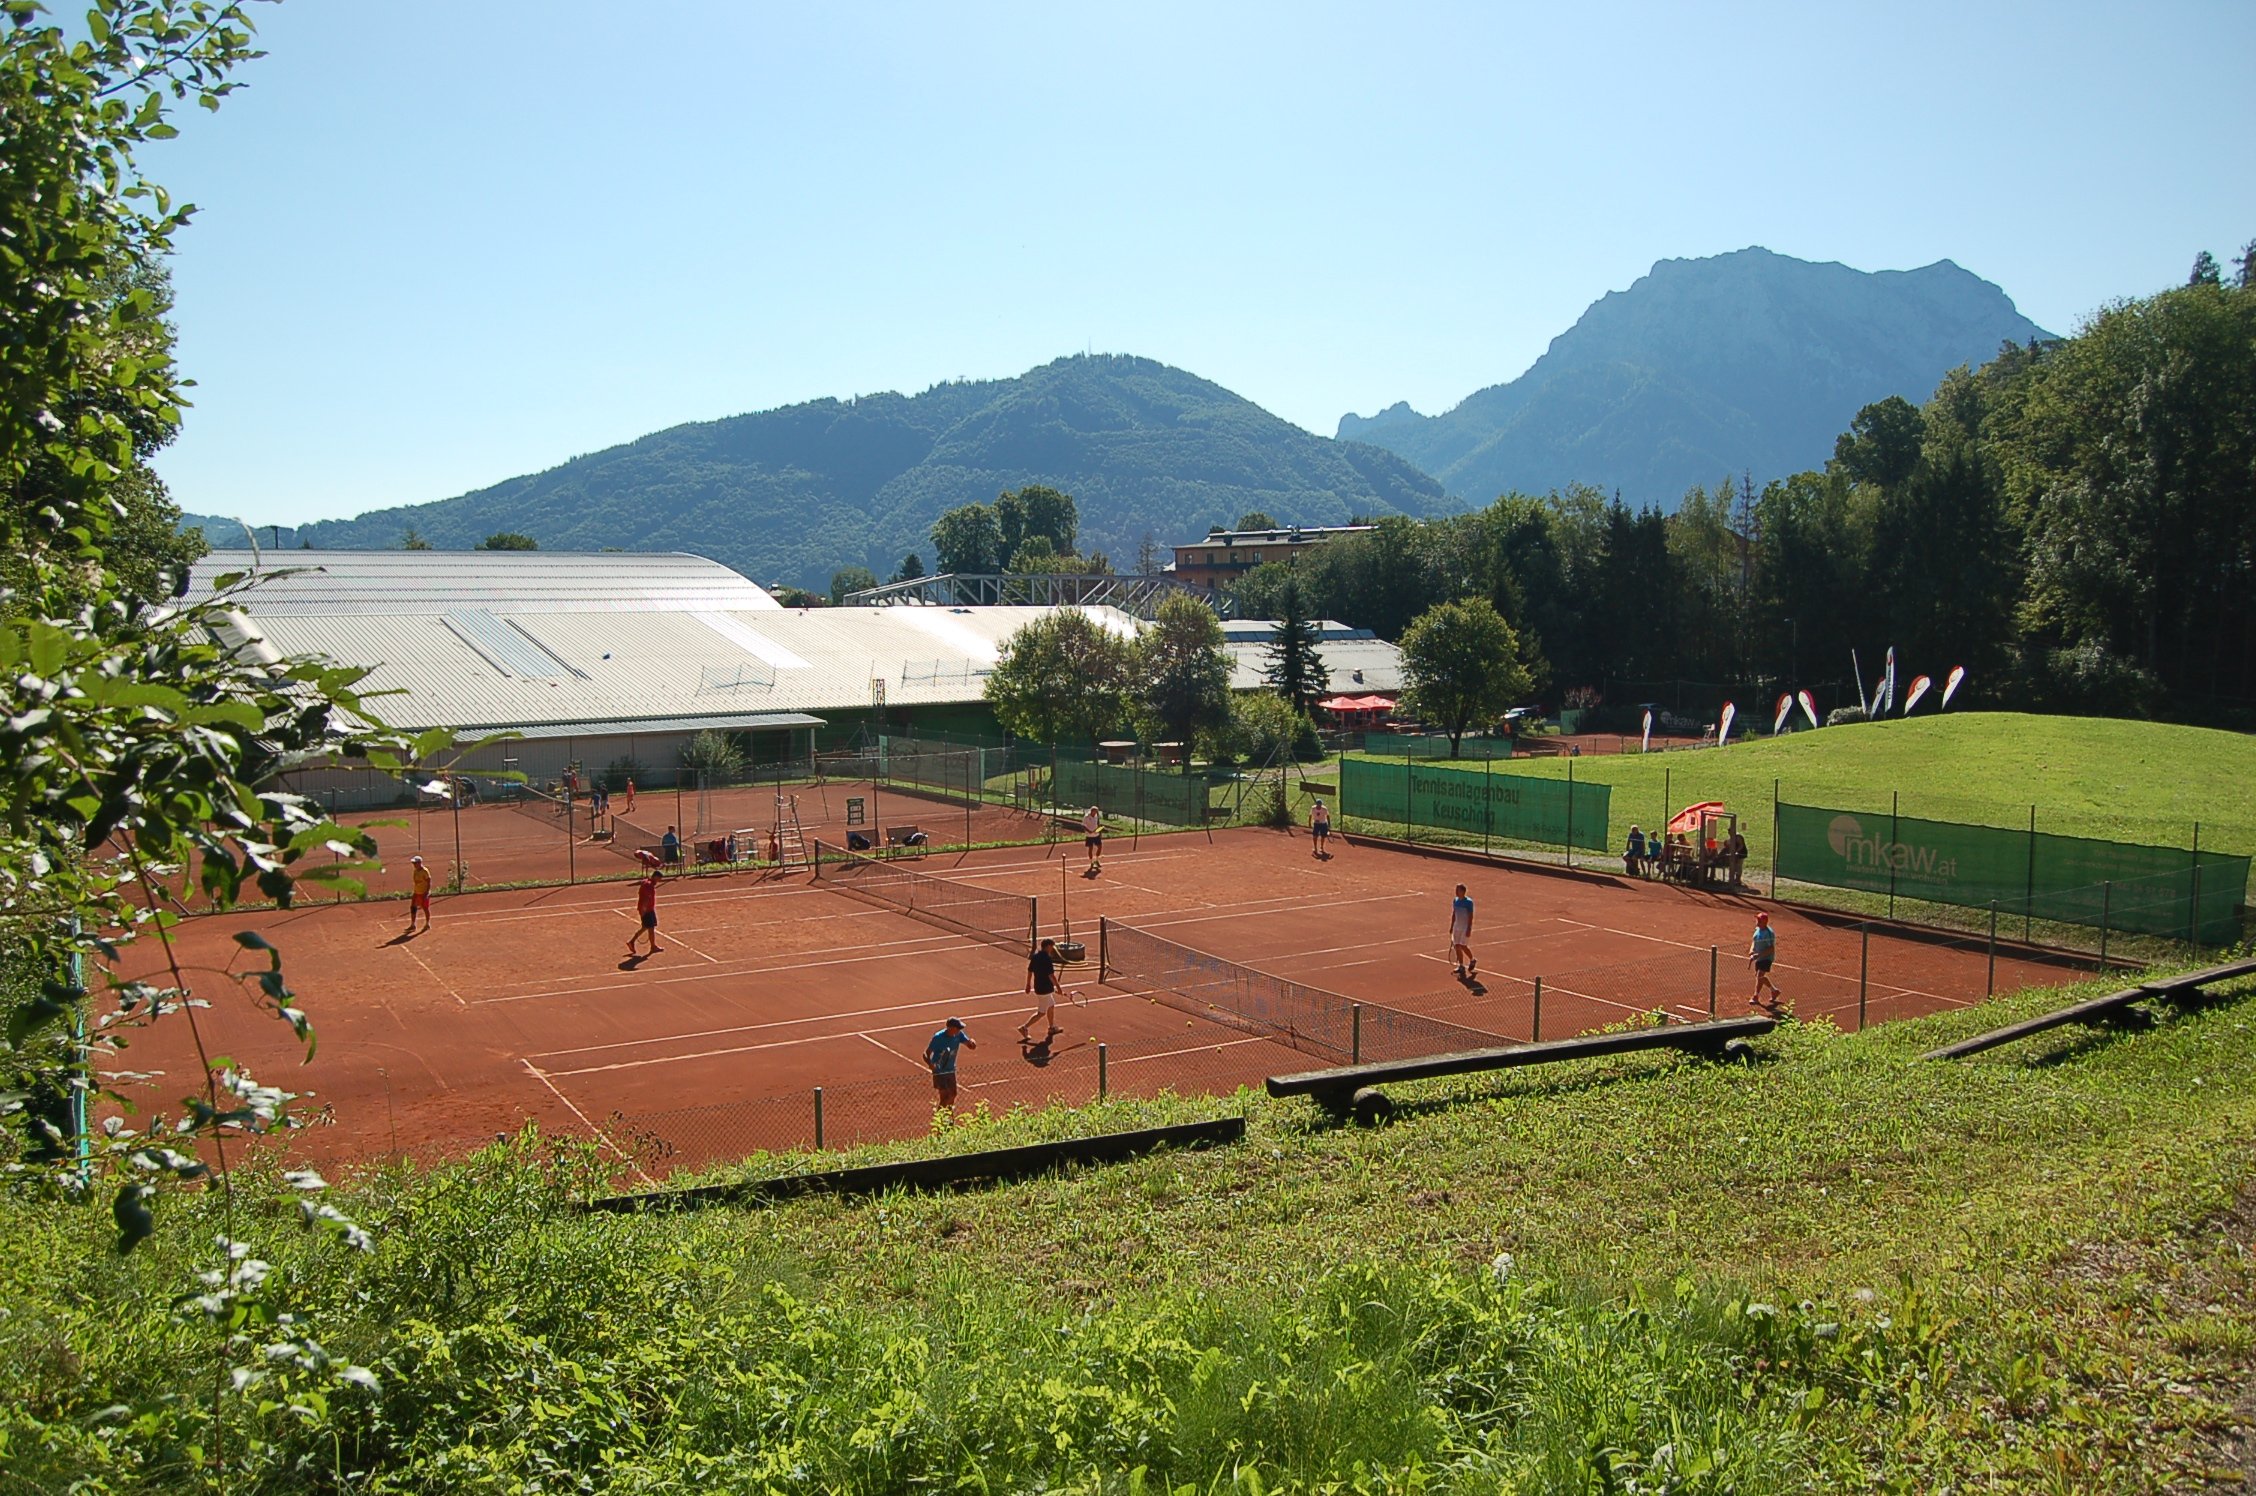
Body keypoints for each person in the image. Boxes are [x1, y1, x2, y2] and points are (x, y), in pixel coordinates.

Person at [1019, 937, 1070, 1042]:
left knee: (1051, 1006)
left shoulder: (1035, 956)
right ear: (1047, 946)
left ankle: (1051, 1028)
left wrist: (1028, 985)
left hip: (1039, 987)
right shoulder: (1047, 959)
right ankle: (1024, 1027)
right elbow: (1052, 976)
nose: (1052, 949)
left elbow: (1030, 971)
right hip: (1044, 989)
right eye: (1051, 947)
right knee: (1041, 1013)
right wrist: (1059, 989)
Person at [924, 1016, 976, 1108]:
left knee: (953, 1094)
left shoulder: (958, 1034)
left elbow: (969, 1045)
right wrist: (930, 1064)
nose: (959, 1030)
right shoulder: (938, 1037)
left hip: (950, 1069)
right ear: (950, 1028)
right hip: (939, 1071)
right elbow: (926, 1053)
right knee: (944, 1097)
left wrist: (972, 1043)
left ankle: (948, 1116)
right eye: (957, 1028)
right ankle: (941, 1118)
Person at [626, 867, 663, 958]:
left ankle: (632, 942)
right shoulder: (649, 885)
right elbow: (646, 899)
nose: (659, 881)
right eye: (658, 879)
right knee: (650, 928)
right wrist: (643, 910)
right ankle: (652, 946)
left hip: (649, 909)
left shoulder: (647, 883)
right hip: (647, 910)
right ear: (655, 877)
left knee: (647, 927)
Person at [1748, 912, 1780, 1009]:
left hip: (1767, 957)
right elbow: (1754, 941)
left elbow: (1771, 949)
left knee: (1759, 976)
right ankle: (1774, 991)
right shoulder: (1758, 929)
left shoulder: (1769, 933)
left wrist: (1759, 955)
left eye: (1759, 920)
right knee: (1759, 977)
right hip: (1759, 957)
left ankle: (1755, 996)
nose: (1757, 921)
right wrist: (1752, 950)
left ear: (1764, 922)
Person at [1449, 883, 1477, 979]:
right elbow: (1454, 913)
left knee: (1463, 946)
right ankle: (1461, 965)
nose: (1456, 892)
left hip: (1464, 927)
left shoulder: (1469, 902)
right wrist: (1452, 926)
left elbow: (1470, 916)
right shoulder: (1455, 901)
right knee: (1457, 946)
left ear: (1463, 891)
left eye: (1458, 890)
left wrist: (1469, 928)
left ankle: (1472, 959)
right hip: (1457, 927)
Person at [406, 854, 432, 932]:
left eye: (415, 863)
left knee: (425, 908)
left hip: (423, 893)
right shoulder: (415, 871)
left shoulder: (425, 871)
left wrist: (426, 893)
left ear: (419, 863)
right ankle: (413, 925)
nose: (414, 865)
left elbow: (429, 882)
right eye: (413, 863)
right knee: (413, 907)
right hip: (416, 892)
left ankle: (427, 924)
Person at [1082, 805, 1103, 874]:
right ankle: (1091, 862)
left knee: (1100, 847)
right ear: (1092, 811)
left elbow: (1098, 824)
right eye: (1095, 811)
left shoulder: (1096, 816)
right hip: (1089, 836)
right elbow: (1083, 825)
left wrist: (1098, 831)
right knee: (1090, 849)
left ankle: (1097, 860)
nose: (1096, 813)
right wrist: (1089, 831)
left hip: (1096, 835)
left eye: (1097, 811)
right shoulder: (1086, 816)